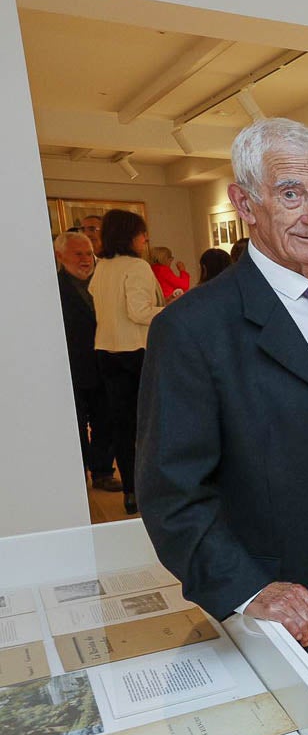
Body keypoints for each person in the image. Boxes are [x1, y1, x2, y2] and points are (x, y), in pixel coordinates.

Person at [136, 117, 308, 735]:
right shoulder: (196, 329)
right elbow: (172, 493)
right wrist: (251, 589)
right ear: (244, 203)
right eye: (290, 193)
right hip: (282, 571)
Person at [91, 209, 164, 515]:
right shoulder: (136, 267)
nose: (145, 238)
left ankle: (132, 492)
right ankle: (152, 490)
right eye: (141, 232)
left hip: (105, 350)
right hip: (135, 352)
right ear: (129, 235)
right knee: (149, 425)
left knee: (122, 427)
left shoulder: (103, 266)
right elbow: (139, 311)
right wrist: (170, 309)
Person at [54, 231, 120, 493]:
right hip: (71, 366)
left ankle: (103, 472)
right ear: (60, 256)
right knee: (76, 426)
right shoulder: (53, 287)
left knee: (106, 420)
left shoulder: (104, 281)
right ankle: (77, 476)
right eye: (78, 254)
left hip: (105, 362)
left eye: (88, 253)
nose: (85, 259)